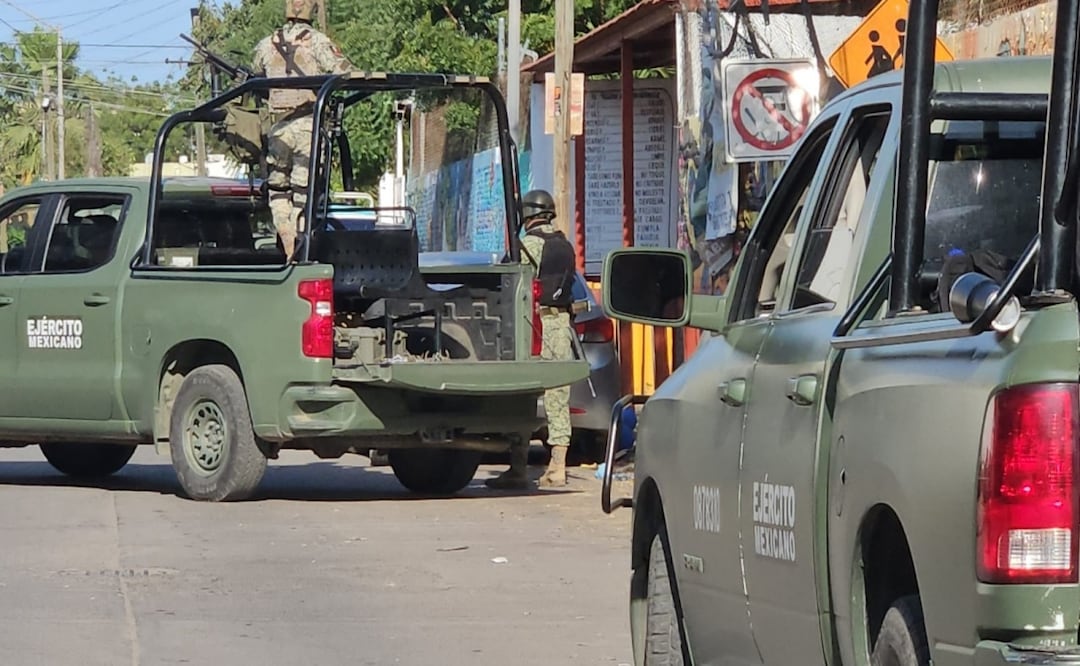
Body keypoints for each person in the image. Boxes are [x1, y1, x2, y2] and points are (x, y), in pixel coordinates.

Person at [486, 190, 578, 490]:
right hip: (561, 323)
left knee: (522, 393)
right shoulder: (564, 244)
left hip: (533, 325)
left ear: (527, 214)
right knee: (558, 395)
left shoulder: (529, 245)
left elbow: (509, 282)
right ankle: (558, 464)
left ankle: (518, 465)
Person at [252, 0, 351, 260]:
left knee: (278, 188)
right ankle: (300, 242)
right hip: (309, 125)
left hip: (279, 128)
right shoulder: (317, 41)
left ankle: (285, 234)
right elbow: (345, 71)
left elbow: (255, 76)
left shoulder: (266, 44)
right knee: (303, 192)